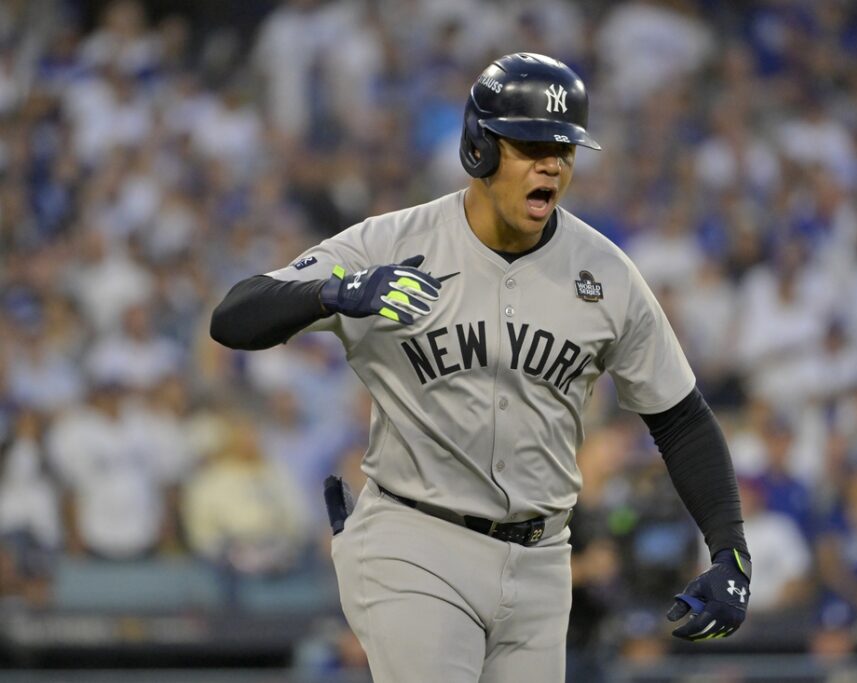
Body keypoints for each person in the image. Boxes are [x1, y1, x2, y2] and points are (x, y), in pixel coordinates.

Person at [211, 52, 750, 683]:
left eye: (564, 149)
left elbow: (680, 418)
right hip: (414, 540)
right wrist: (330, 291)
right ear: (479, 148)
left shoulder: (605, 274)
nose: (552, 163)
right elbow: (235, 316)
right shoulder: (390, 242)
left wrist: (730, 550)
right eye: (529, 146)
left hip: (544, 560)